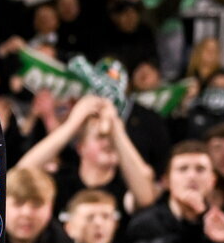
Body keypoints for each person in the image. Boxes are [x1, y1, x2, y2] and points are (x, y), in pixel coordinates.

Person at [16, 93, 158, 218]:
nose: (108, 143)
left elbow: (146, 197)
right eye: (100, 137)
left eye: (112, 138)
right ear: (80, 147)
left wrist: (116, 128)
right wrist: (72, 124)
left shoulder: (124, 185)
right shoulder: (62, 181)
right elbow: (20, 173)